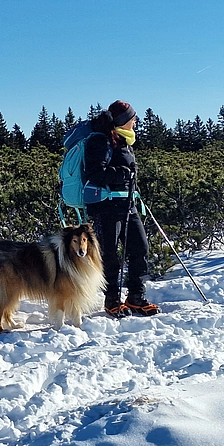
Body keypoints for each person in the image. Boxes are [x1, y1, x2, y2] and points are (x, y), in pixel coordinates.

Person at [83, 100, 160, 318]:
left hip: (127, 205)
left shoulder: (125, 140)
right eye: (132, 118)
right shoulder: (100, 140)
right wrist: (123, 174)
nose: (135, 122)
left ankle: (136, 297)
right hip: (106, 206)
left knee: (140, 249)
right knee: (109, 254)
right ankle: (112, 300)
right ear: (122, 121)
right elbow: (95, 174)